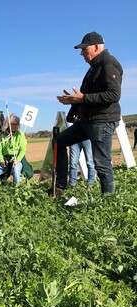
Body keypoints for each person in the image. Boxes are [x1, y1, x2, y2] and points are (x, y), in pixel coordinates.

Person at [56, 31, 122, 194]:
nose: (82, 53)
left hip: (102, 120)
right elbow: (85, 98)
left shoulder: (108, 63)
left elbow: (114, 95)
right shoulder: (93, 67)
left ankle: (109, 202)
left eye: (85, 49)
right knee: (59, 141)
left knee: (101, 163)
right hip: (87, 120)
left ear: (96, 47)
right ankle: (61, 187)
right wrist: (73, 100)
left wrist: (82, 98)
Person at [0, 114, 27, 184]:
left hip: (16, 160)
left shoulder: (21, 135)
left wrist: (18, 160)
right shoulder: (2, 136)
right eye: (12, 124)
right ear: (7, 124)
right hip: (5, 161)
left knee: (16, 170)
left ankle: (17, 188)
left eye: (16, 124)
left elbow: (23, 149)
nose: (14, 126)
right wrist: (1, 160)